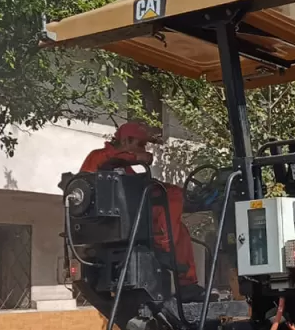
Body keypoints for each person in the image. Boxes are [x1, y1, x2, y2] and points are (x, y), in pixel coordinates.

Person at [81, 122, 204, 301]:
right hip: (112, 220)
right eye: (140, 144)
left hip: (132, 216)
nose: (144, 149)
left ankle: (187, 284)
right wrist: (136, 157)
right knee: (172, 194)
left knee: (181, 230)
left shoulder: (125, 164)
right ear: (125, 140)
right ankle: (164, 247)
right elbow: (99, 174)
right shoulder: (99, 156)